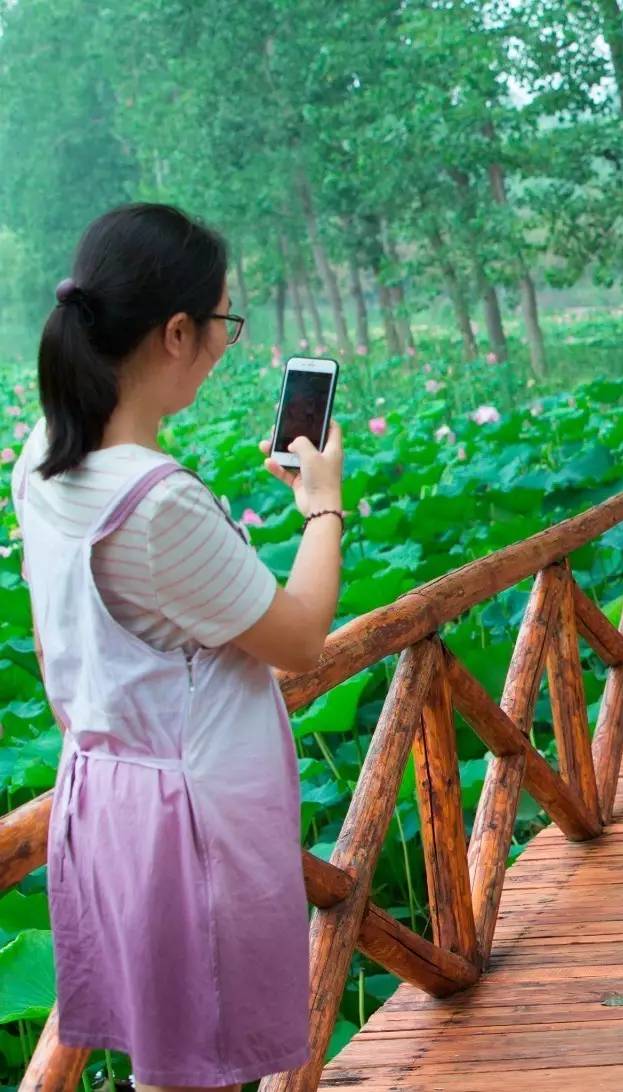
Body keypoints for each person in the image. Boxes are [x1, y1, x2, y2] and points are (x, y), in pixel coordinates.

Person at [11, 204, 345, 1091]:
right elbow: (300, 638)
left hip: (103, 792)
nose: (226, 343)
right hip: (189, 817)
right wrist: (322, 504)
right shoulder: (157, 504)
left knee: (165, 1059)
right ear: (175, 332)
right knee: (195, 1067)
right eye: (224, 322)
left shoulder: (42, 455)